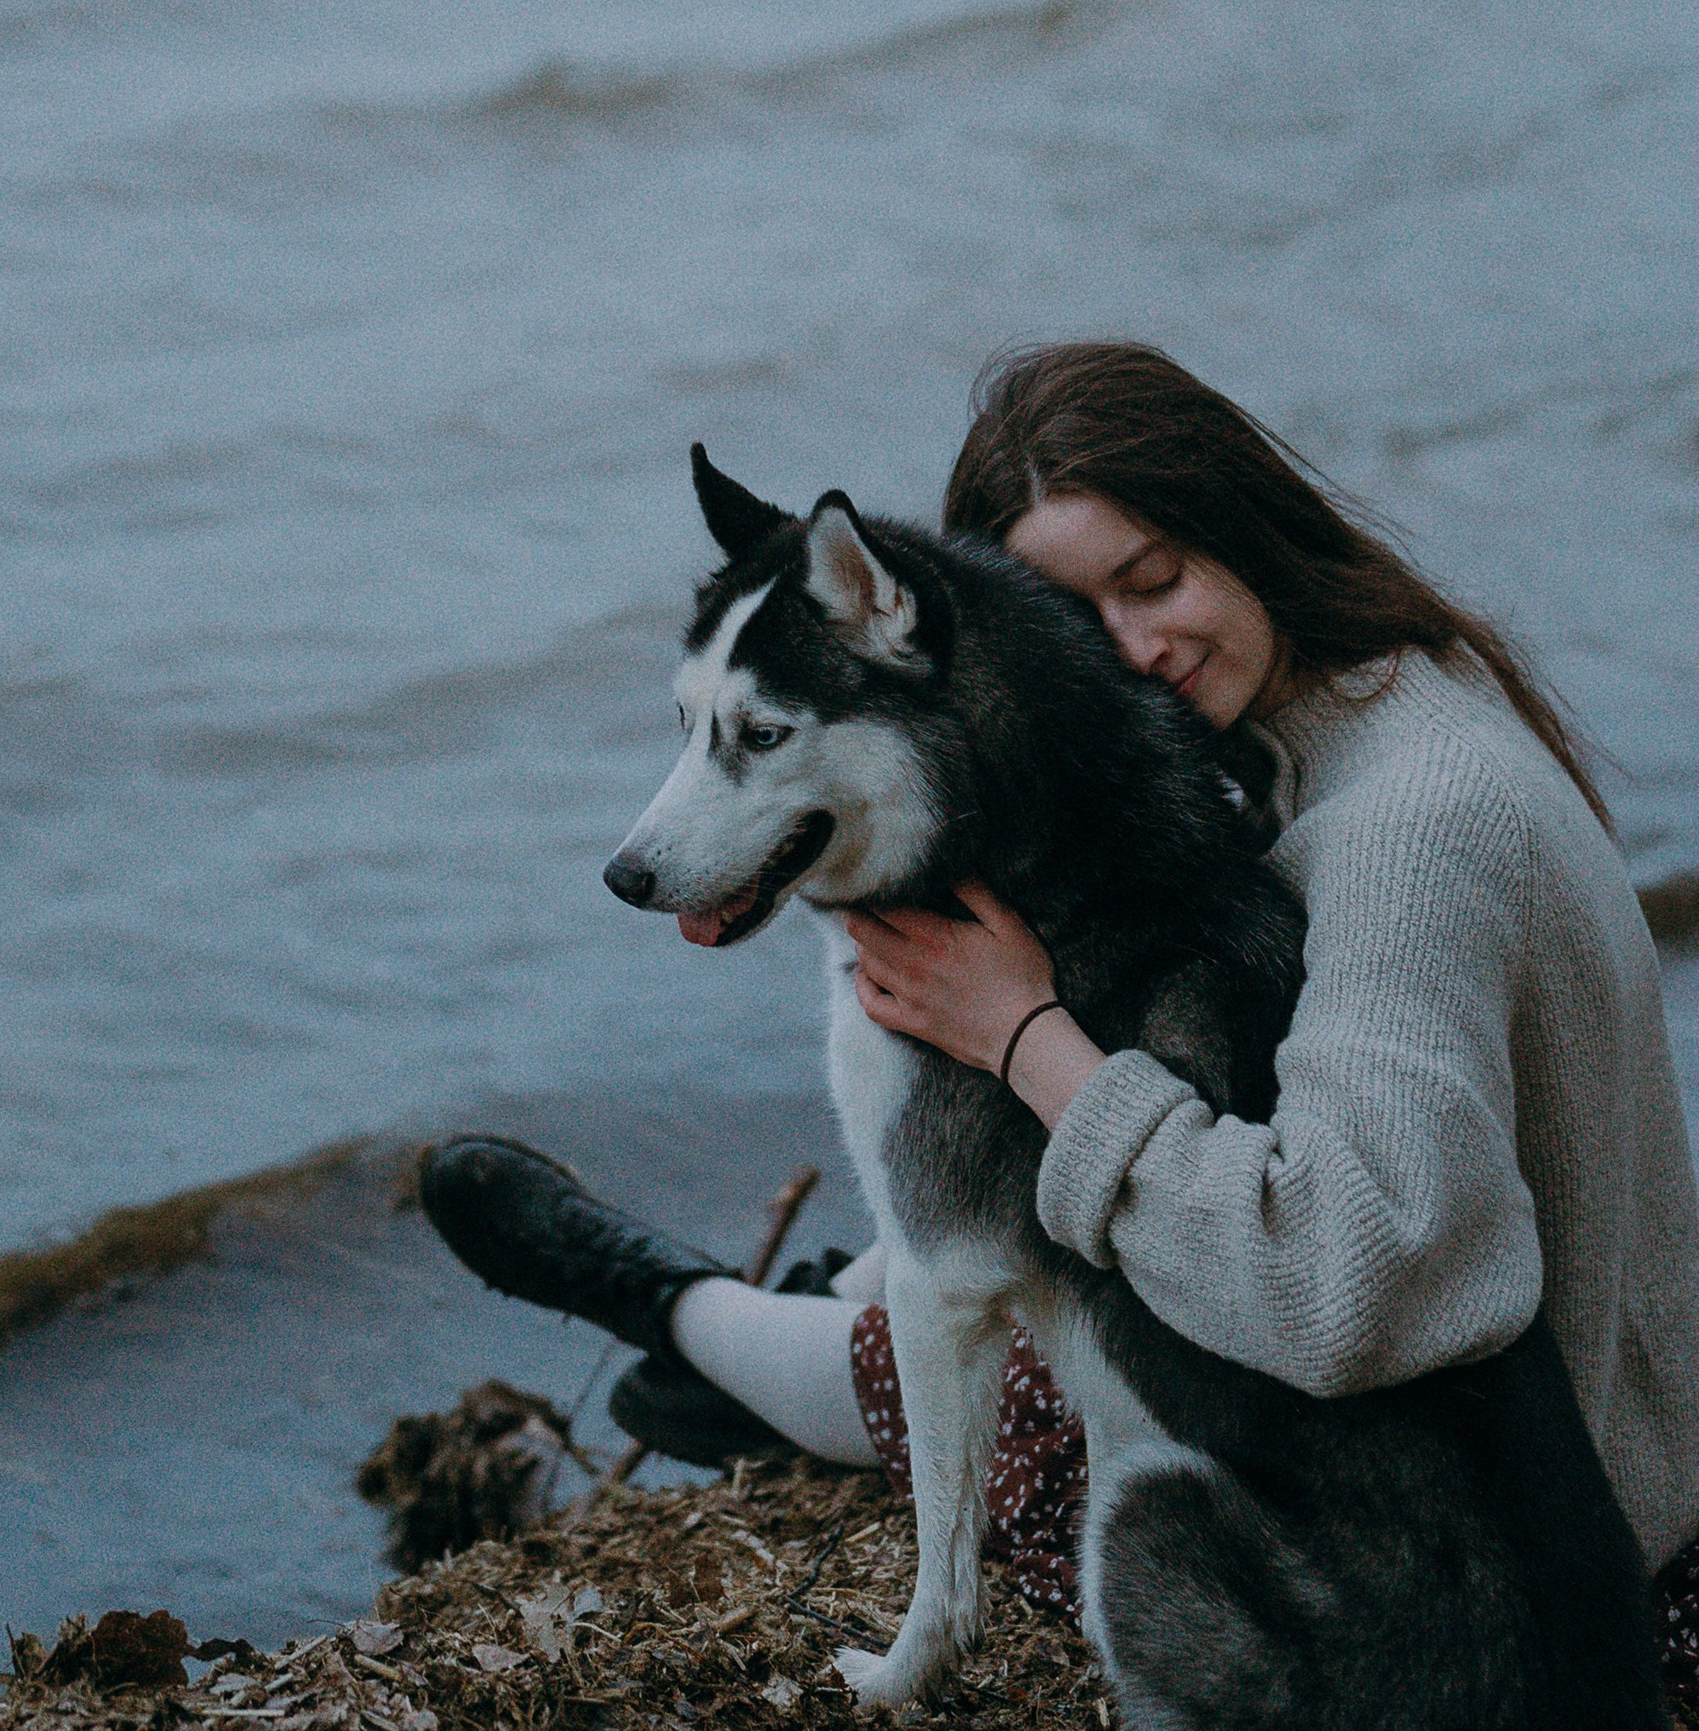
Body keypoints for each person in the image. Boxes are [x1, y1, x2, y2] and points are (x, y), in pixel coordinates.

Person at [419, 341, 1699, 1693]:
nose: (1135, 649)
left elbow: (1343, 1291)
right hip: (1603, 1407)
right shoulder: (1386, 690)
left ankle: (675, 1310)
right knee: (983, 1214)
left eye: (1157, 580)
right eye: (1081, 617)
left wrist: (1028, 1042)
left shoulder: (1407, 838)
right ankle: (797, 1289)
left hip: (1527, 1537)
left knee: (985, 1347)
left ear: (1247, 524)